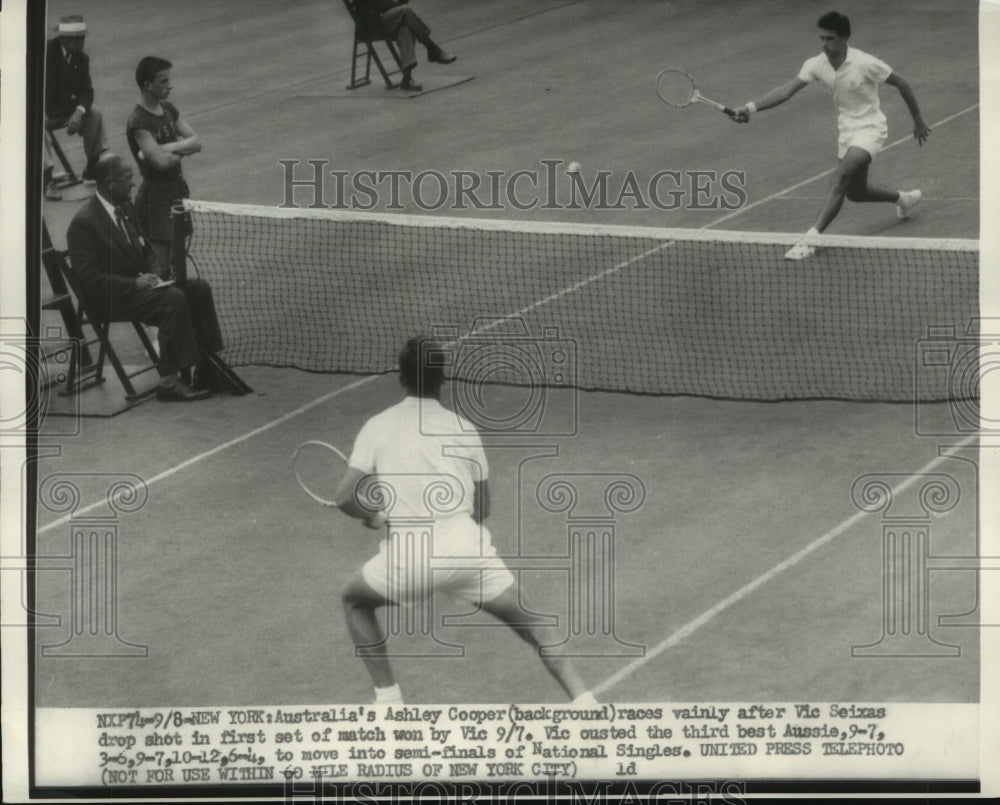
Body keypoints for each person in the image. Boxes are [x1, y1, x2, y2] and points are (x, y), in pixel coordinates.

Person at [335, 337, 598, 706]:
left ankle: (389, 702)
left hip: (409, 561)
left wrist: (376, 517)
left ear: (401, 377)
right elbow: (482, 508)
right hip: (469, 553)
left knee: (353, 599)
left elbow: (345, 498)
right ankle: (585, 702)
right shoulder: (464, 428)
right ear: (442, 377)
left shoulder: (376, 426)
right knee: (536, 625)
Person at [733, 11, 931, 260]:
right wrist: (750, 108)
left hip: (871, 129)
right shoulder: (817, 64)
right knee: (855, 193)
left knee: (840, 177)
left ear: (845, 37)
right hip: (846, 130)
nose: (825, 45)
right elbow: (786, 91)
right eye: (822, 39)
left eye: (830, 39)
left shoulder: (865, 63)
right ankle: (903, 199)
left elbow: (903, 83)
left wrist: (918, 120)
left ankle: (811, 239)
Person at [65, 153, 224, 402]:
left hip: (140, 288)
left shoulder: (125, 207)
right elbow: (89, 279)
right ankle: (169, 381)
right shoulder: (83, 224)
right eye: (128, 178)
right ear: (110, 183)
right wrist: (134, 284)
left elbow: (145, 247)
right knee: (173, 299)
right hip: (109, 298)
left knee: (198, 288)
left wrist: (158, 271)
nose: (133, 183)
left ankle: (208, 367)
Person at [126, 56, 202, 274]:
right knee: (161, 269)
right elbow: (160, 163)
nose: (170, 85)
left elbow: (197, 142)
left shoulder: (168, 108)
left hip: (177, 192)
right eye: (163, 81)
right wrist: (180, 147)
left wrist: (166, 147)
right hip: (156, 199)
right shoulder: (138, 120)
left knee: (179, 265)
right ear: (147, 85)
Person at [44, 14, 108, 200]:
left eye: (82, 37)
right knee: (35, 123)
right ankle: (47, 179)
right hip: (40, 110)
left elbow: (87, 92)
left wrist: (79, 112)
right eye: (76, 38)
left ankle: (92, 168)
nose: (81, 42)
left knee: (95, 113)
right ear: (63, 39)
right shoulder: (44, 52)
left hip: (64, 110)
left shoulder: (82, 58)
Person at [354, 0, 455, 91]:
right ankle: (432, 49)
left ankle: (407, 79)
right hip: (371, 26)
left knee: (405, 28)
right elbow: (380, 6)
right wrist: (400, 2)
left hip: (380, 19)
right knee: (406, 11)